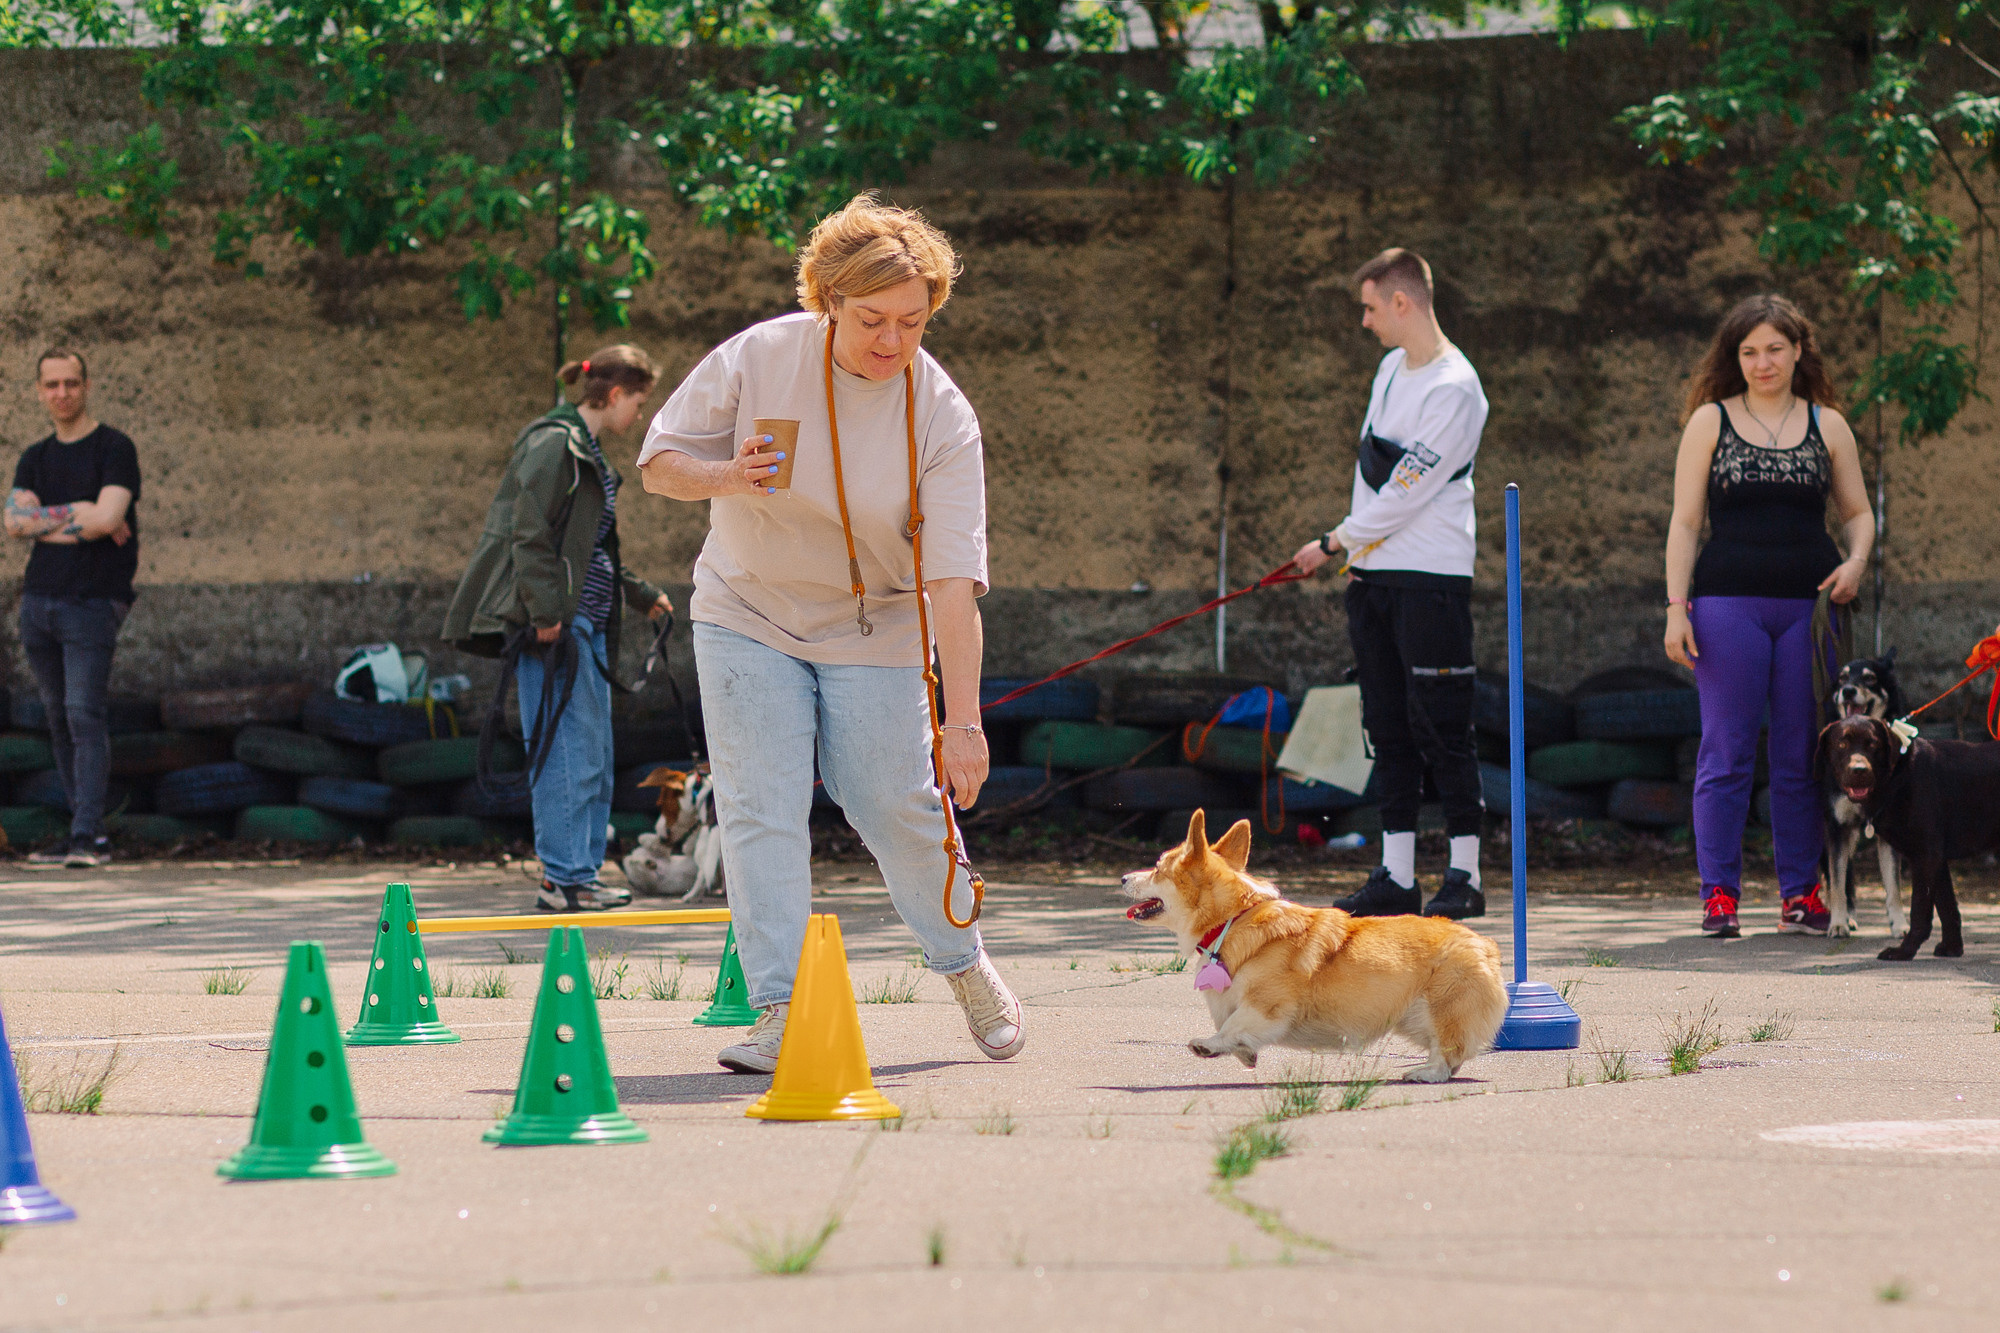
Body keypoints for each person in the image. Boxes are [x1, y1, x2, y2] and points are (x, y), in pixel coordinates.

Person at [636, 194, 1024, 1074]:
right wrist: (726, 473)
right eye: (871, 320)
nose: (891, 342)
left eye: (913, 322)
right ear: (826, 300)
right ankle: (779, 1007)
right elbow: (659, 464)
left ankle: (965, 965)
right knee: (758, 803)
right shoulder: (761, 355)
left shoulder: (941, 414)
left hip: (875, 621)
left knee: (893, 802)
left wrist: (963, 721)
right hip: (747, 609)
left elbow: (954, 585)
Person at [1664, 295, 1873, 939]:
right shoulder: (1709, 420)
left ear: (1798, 350)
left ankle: (1800, 895)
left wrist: (1857, 561)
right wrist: (1677, 608)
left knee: (1799, 755)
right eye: (1749, 351)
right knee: (1725, 753)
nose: (1763, 362)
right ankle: (1719, 895)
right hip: (1727, 605)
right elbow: (1686, 522)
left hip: (1811, 612)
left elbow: (1858, 514)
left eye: (1775, 349)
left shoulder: (1828, 425)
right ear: (1736, 357)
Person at [1292, 248, 1489, 920]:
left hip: (1429, 576)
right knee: (1387, 723)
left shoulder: (1456, 388)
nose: (1367, 320)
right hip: (1372, 575)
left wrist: (1331, 542)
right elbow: (1374, 469)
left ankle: (1464, 871)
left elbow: (1408, 490)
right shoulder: (1387, 371)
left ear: (1402, 301)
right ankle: (1396, 872)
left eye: (1371, 307)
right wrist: (1353, 551)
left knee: (1444, 725)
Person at [442, 345, 673, 913]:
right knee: (567, 755)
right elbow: (529, 536)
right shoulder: (554, 444)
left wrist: (644, 597)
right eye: (639, 402)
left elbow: (589, 552)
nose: (639, 416)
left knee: (592, 752)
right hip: (556, 629)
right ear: (616, 394)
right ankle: (563, 880)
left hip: (584, 626)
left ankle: (582, 875)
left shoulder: (585, 448)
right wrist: (546, 614)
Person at [6, 350, 139, 868]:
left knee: (84, 714)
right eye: (51, 384)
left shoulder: (114, 447)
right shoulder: (35, 457)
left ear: (86, 385)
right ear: (39, 391)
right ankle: (84, 830)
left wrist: (49, 520)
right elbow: (13, 524)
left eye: (71, 383)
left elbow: (109, 518)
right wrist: (79, 514)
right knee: (59, 720)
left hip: (92, 602)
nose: (62, 393)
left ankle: (89, 837)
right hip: (38, 602)